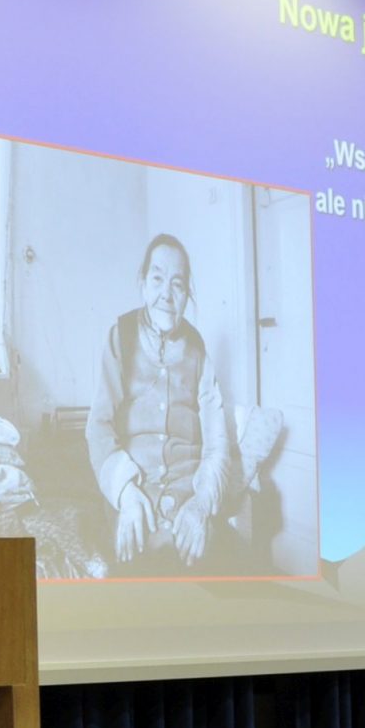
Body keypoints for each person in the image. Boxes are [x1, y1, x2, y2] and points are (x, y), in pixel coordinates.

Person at [86, 232, 234, 571]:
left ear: (186, 294)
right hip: (135, 492)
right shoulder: (120, 336)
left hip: (188, 497)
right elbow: (98, 428)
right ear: (142, 283)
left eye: (177, 284)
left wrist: (201, 504)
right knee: (138, 565)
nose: (166, 294)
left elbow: (217, 443)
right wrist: (125, 494)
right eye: (157, 279)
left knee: (220, 562)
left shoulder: (198, 349)